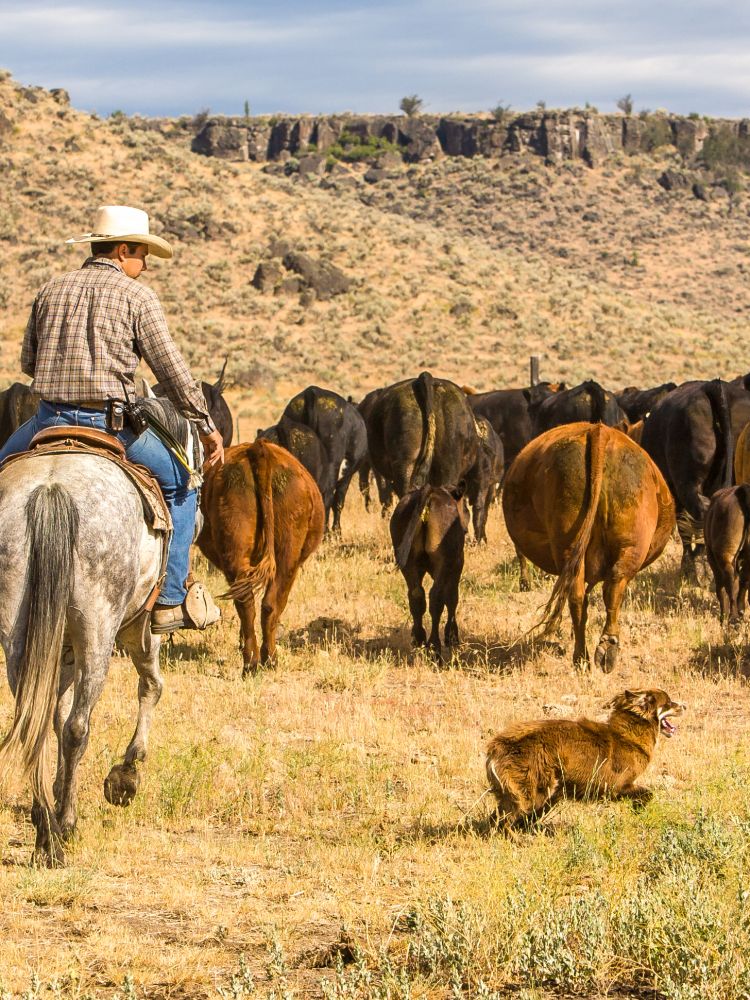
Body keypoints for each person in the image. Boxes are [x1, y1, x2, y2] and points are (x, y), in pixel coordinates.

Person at [0, 205, 224, 634]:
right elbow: (171, 371)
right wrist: (206, 425)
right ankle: (172, 599)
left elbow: (29, 361)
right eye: (143, 255)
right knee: (181, 486)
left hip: (46, 421)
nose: (145, 265)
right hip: (110, 424)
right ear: (123, 250)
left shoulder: (50, 289)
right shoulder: (137, 297)